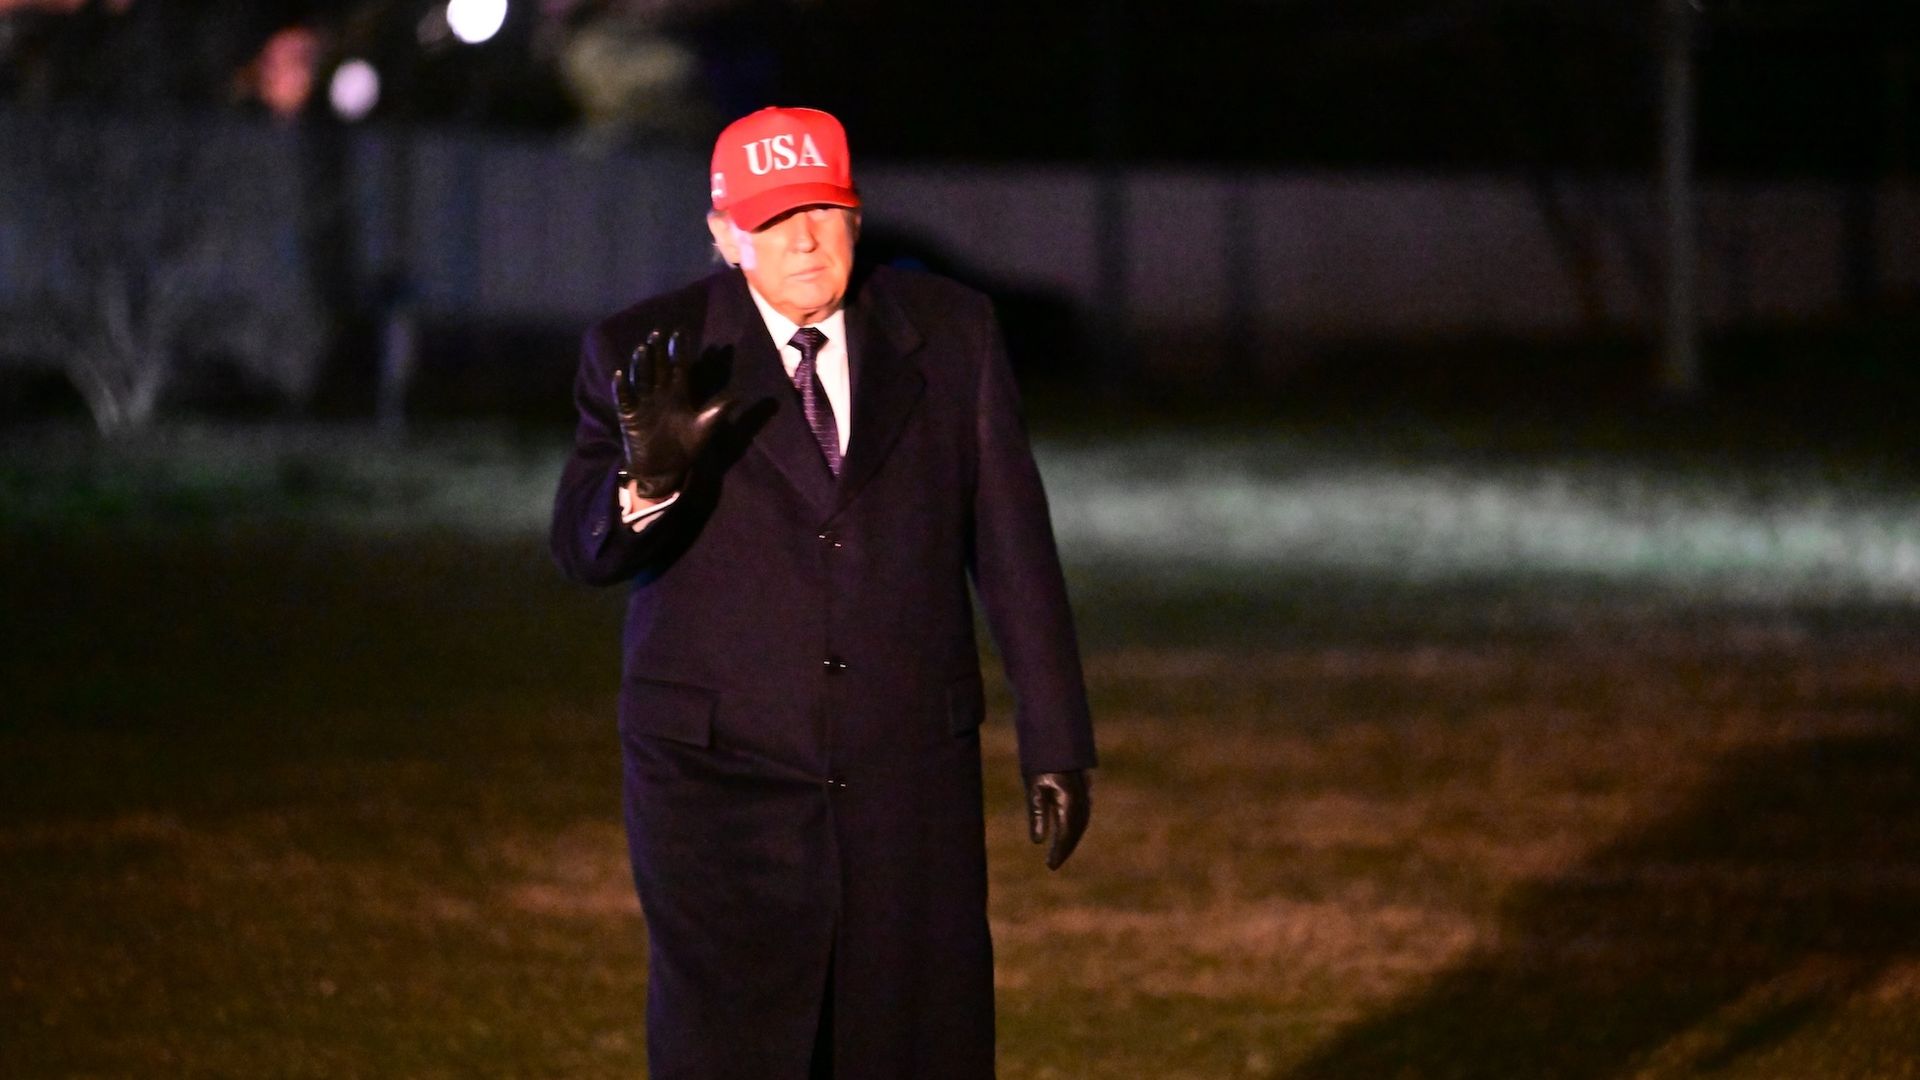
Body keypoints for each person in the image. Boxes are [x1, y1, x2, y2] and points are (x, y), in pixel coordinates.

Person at [550, 105, 1096, 1079]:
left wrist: (1057, 738)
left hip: (908, 780)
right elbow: (581, 549)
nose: (803, 236)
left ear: (857, 214)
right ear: (721, 234)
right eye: (771, 216)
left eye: (823, 208)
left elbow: (1014, 547)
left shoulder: (953, 335)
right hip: (716, 788)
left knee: (916, 1044)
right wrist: (651, 482)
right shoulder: (645, 347)